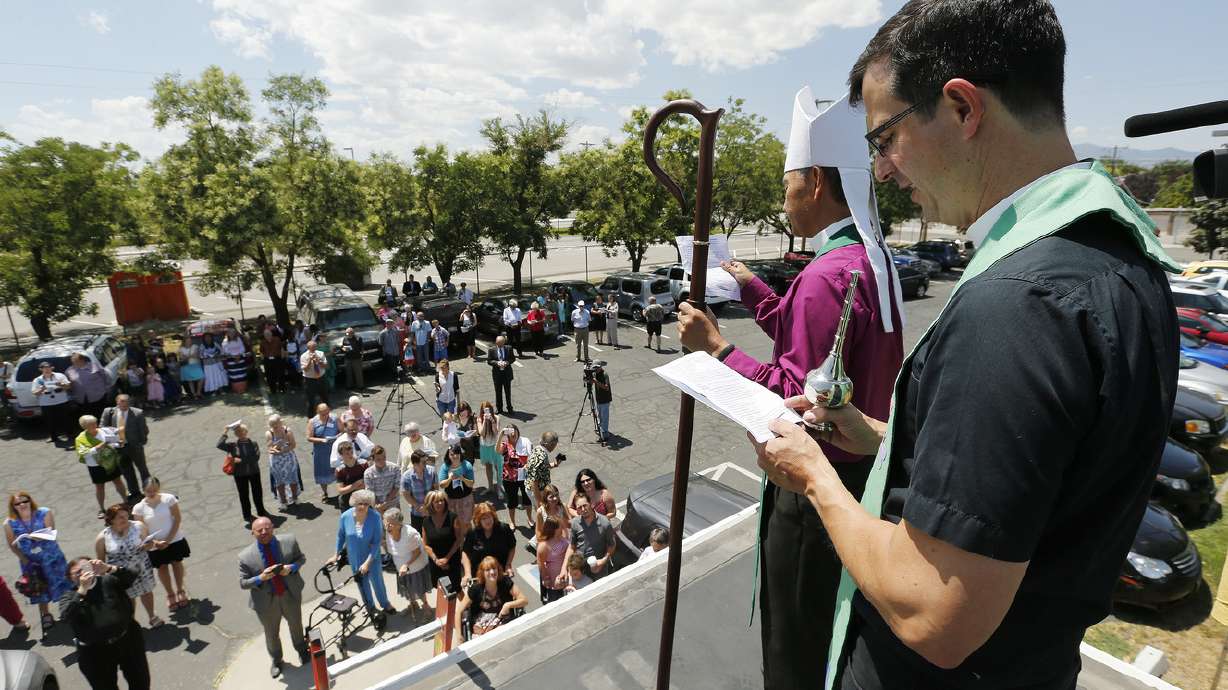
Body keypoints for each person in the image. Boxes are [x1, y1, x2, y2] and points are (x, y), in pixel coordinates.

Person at [752, 4, 1181, 688]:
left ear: (960, 107)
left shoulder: (1017, 306)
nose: (884, 172)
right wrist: (875, 437)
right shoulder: (1109, 257)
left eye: (885, 138)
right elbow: (1023, 478)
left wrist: (815, 477)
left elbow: (935, 613)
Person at [675, 87, 904, 690]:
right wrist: (754, 288)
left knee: (794, 645)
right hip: (859, 477)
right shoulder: (865, 259)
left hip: (813, 494)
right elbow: (818, 354)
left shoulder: (827, 275)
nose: (785, 199)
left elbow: (788, 391)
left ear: (814, 182)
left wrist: (717, 348)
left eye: (786, 185)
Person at [60, 558, 151, 690]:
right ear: (70, 578)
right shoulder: (70, 596)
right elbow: (66, 615)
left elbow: (133, 574)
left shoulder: (108, 581)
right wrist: (82, 590)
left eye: (85, 568)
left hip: (127, 640)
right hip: (95, 652)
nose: (82, 573)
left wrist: (108, 568)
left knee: (141, 682)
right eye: (77, 572)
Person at [238, 517, 309, 679]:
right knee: (271, 633)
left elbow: (301, 558)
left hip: (289, 594)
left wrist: (291, 568)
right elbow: (243, 583)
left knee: (296, 625)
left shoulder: (289, 541)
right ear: (253, 533)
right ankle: (277, 660)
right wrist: (260, 578)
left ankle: (302, 650)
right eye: (259, 530)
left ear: (273, 528)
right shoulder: (245, 556)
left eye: (267, 528)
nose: (264, 532)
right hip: (266, 602)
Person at [5, 492, 71, 635]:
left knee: (62, 583)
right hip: (32, 562)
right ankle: (45, 616)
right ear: (13, 506)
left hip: (52, 558)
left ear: (30, 501)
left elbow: (51, 533)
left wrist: (33, 535)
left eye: (25, 501)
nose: (22, 504)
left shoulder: (44, 513)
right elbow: (12, 545)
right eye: (17, 503)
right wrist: (24, 559)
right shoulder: (10, 523)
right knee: (39, 588)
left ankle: (67, 609)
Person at [328, 490, 396, 618]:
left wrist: (367, 563)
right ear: (353, 503)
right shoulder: (345, 517)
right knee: (362, 584)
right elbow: (340, 536)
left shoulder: (375, 517)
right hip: (355, 558)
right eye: (359, 503)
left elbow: (376, 543)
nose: (362, 506)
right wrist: (335, 554)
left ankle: (385, 603)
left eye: (366, 504)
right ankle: (370, 607)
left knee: (378, 583)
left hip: (372, 558)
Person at [95, 504, 161, 628]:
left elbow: (149, 544)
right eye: (120, 517)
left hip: (142, 568)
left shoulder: (138, 526)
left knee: (146, 592)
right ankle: (131, 623)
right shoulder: (102, 538)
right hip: (121, 573)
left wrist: (149, 545)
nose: (125, 519)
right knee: (127, 598)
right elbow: (101, 563)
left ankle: (152, 616)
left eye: (126, 515)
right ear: (111, 519)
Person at [131, 478, 191, 613]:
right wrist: (154, 543)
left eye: (154, 490)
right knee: (162, 568)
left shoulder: (169, 499)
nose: (151, 493)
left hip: (174, 539)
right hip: (154, 544)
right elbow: (140, 529)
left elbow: (177, 519)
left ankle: (180, 590)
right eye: (148, 491)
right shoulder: (138, 508)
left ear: (159, 488)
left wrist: (168, 540)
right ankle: (170, 594)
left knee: (177, 563)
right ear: (143, 490)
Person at [456, 555, 527, 637]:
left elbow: (524, 600)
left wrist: (508, 605)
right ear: (482, 573)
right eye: (488, 570)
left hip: (503, 619)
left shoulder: (505, 582)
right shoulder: (475, 589)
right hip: (481, 624)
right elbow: (459, 612)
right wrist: (459, 636)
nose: (492, 572)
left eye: (494, 568)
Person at [75, 415, 129, 518]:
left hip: (110, 462)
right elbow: (83, 453)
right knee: (100, 487)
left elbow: (114, 443)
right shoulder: (80, 439)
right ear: (84, 426)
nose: (95, 425)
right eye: (91, 424)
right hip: (96, 466)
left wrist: (119, 443)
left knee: (118, 481)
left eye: (95, 423)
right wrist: (98, 447)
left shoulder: (104, 431)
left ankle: (126, 501)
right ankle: (102, 509)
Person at [218, 423, 270, 528]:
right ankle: (247, 514)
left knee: (257, 492)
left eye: (242, 431)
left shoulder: (254, 444)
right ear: (236, 434)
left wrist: (240, 460)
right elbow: (219, 445)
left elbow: (255, 458)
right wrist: (225, 431)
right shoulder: (233, 445)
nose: (240, 434)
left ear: (246, 432)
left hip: (254, 472)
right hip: (239, 474)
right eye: (237, 432)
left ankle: (261, 511)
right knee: (243, 495)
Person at [101, 394, 152, 499]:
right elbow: (102, 429)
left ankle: (149, 490)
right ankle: (135, 492)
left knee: (143, 469)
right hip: (118, 448)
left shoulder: (138, 413)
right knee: (127, 471)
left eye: (127, 404)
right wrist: (114, 440)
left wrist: (141, 442)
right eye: (122, 404)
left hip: (134, 446)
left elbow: (144, 430)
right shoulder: (109, 412)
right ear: (117, 402)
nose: (125, 406)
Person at [383, 508, 431, 612]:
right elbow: (392, 548)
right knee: (407, 587)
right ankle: (413, 604)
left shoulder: (410, 534)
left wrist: (406, 565)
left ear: (399, 524)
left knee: (419, 589)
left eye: (390, 523)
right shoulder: (388, 531)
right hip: (400, 566)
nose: (387, 526)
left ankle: (427, 608)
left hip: (415, 566)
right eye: (386, 522)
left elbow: (417, 552)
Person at [461, 502, 516, 585]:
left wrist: (508, 565)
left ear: (493, 516)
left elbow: (512, 547)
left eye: (489, 517)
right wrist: (467, 573)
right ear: (478, 520)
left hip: (499, 574)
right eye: (483, 519)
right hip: (479, 576)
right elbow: (465, 552)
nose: (487, 521)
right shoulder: (472, 532)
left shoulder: (504, 529)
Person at [564, 494, 615, 581]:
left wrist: (604, 560)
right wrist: (566, 568)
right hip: (581, 570)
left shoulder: (605, 523)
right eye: (579, 507)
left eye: (585, 505)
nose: (583, 509)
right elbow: (572, 546)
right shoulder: (575, 523)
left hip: (599, 569)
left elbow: (612, 545)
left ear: (591, 504)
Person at [421, 490, 464, 590]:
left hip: (452, 559)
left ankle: (463, 605)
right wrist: (436, 560)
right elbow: (425, 544)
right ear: (431, 504)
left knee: (455, 588)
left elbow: (459, 540)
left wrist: (446, 559)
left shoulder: (453, 517)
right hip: (435, 562)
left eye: (442, 500)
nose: (440, 503)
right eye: (436, 501)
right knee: (441, 590)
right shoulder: (426, 521)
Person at [496, 424, 533, 530]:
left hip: (524, 476)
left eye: (514, 430)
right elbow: (497, 451)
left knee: (527, 500)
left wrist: (528, 464)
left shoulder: (525, 441)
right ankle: (512, 522)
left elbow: (531, 455)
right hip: (509, 478)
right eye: (510, 431)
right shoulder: (505, 444)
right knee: (512, 502)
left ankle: (530, 518)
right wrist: (500, 435)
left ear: (517, 431)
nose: (513, 433)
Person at [265, 415, 302, 509]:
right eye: (272, 426)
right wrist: (276, 448)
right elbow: (269, 449)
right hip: (276, 461)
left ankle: (295, 497)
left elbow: (293, 445)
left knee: (293, 479)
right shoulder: (269, 433)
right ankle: (283, 501)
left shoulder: (287, 431)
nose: (274, 428)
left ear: (280, 423)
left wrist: (283, 450)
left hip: (288, 458)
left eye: (276, 426)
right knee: (279, 481)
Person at [31, 361, 73, 445]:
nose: (46, 369)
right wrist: (42, 389)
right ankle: (53, 437)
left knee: (66, 419)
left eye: (48, 367)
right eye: (44, 368)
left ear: (52, 367)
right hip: (46, 403)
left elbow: (69, 386)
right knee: (50, 421)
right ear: (40, 369)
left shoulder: (60, 375)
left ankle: (70, 435)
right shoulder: (37, 380)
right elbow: (34, 393)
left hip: (62, 401)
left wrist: (61, 384)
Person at [307, 404, 340, 503]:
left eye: (327, 412)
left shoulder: (335, 418)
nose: (326, 415)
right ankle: (325, 493)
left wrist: (337, 436)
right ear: (318, 412)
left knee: (339, 471)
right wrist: (322, 440)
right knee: (322, 473)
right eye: (323, 414)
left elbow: (342, 431)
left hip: (335, 450)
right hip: (321, 452)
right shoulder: (312, 422)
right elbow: (309, 437)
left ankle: (342, 491)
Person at [524, 431, 562, 514]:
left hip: (536, 488)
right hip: (537, 490)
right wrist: (540, 503)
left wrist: (554, 464)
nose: (554, 447)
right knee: (543, 514)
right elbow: (534, 482)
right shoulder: (541, 457)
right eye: (554, 445)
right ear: (549, 444)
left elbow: (542, 468)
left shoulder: (538, 449)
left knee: (543, 512)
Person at [438, 444, 476, 528]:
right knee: (454, 523)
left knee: (467, 521)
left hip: (466, 499)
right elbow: (442, 485)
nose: (455, 456)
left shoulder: (467, 465)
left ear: (460, 454)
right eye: (452, 454)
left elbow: (471, 483)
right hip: (451, 500)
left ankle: (468, 538)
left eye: (457, 453)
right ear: (448, 455)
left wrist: (463, 479)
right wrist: (449, 479)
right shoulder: (445, 467)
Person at [401, 450, 437, 532]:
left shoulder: (432, 471)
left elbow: (435, 489)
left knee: (433, 536)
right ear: (415, 464)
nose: (426, 463)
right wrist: (419, 507)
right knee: (418, 538)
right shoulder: (407, 476)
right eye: (423, 462)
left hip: (431, 510)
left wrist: (427, 506)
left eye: (426, 461)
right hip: (416, 513)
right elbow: (406, 495)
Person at [536, 516, 569, 604]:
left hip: (566, 576)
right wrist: (545, 578)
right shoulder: (544, 546)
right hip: (553, 580)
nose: (562, 527)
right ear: (554, 529)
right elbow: (541, 564)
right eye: (560, 526)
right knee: (555, 602)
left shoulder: (562, 537)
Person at [67, 352, 109, 419]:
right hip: (81, 399)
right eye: (73, 362)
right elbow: (69, 383)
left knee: (100, 414)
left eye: (76, 361)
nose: (74, 363)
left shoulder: (94, 366)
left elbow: (105, 376)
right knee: (87, 417)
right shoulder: (69, 370)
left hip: (98, 396)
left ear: (82, 360)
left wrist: (105, 389)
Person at [476, 402, 503, 499]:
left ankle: (499, 489)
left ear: (491, 409)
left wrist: (492, 421)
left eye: (488, 409)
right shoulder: (479, 419)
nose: (486, 411)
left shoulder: (496, 417)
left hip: (494, 445)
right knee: (488, 466)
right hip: (484, 446)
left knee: (498, 467)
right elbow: (481, 433)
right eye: (484, 410)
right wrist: (484, 421)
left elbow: (496, 432)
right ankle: (490, 487)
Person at [363, 446, 401, 513]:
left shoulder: (395, 468)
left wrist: (386, 502)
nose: (382, 461)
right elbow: (370, 492)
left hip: (393, 505)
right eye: (378, 459)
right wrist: (379, 506)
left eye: (384, 458)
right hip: (377, 507)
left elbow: (397, 487)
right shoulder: (368, 473)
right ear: (373, 459)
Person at [333, 441, 368, 510]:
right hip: (347, 500)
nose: (350, 455)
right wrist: (355, 485)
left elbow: (369, 482)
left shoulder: (363, 464)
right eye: (347, 453)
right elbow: (340, 490)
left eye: (351, 452)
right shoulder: (339, 470)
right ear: (341, 455)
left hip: (364, 498)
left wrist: (350, 488)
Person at [487, 335, 516, 414]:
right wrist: (497, 363)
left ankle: (509, 408)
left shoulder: (509, 348)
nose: (499, 345)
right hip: (497, 374)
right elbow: (489, 361)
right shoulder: (491, 349)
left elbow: (513, 359)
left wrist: (507, 362)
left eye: (501, 344)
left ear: (504, 343)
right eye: (498, 344)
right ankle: (499, 408)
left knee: (508, 392)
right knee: (498, 392)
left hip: (507, 373)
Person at [299, 341, 329, 417]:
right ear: (308, 348)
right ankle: (311, 417)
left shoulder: (320, 353)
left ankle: (327, 414)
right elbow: (305, 369)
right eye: (312, 348)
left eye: (315, 347)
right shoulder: (303, 356)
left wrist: (319, 361)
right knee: (310, 400)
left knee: (325, 397)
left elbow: (325, 366)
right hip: (310, 380)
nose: (314, 350)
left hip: (321, 378)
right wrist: (309, 361)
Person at [258, 324, 284, 394]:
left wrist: (282, 357)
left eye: (269, 334)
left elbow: (281, 348)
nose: (267, 336)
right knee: (269, 376)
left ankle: (281, 388)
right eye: (266, 335)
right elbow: (261, 351)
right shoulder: (263, 342)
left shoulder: (277, 339)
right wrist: (263, 360)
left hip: (277, 359)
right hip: (268, 360)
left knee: (280, 374)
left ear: (271, 334)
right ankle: (273, 389)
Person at [178, 333, 205, 399]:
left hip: (195, 364)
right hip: (187, 365)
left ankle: (198, 392)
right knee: (190, 381)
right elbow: (181, 358)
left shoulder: (195, 346)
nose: (189, 342)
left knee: (201, 377)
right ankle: (194, 394)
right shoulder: (181, 348)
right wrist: (191, 356)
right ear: (184, 341)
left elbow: (196, 355)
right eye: (187, 341)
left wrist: (186, 356)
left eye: (190, 340)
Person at [222, 329, 249, 393]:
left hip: (240, 359)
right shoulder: (225, 341)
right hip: (231, 360)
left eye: (233, 333)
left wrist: (238, 355)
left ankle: (243, 389)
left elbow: (242, 348)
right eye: (230, 333)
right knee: (234, 375)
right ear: (228, 334)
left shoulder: (238, 339)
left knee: (242, 374)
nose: (232, 334)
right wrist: (234, 356)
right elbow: (225, 351)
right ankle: (236, 389)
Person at [593, 364, 612, 444]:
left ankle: (605, 435)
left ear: (600, 367)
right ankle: (601, 430)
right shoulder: (595, 374)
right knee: (600, 416)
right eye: (594, 368)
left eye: (597, 368)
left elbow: (606, 387)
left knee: (604, 418)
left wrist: (596, 382)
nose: (595, 369)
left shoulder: (605, 375)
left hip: (605, 400)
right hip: (599, 400)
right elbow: (592, 381)